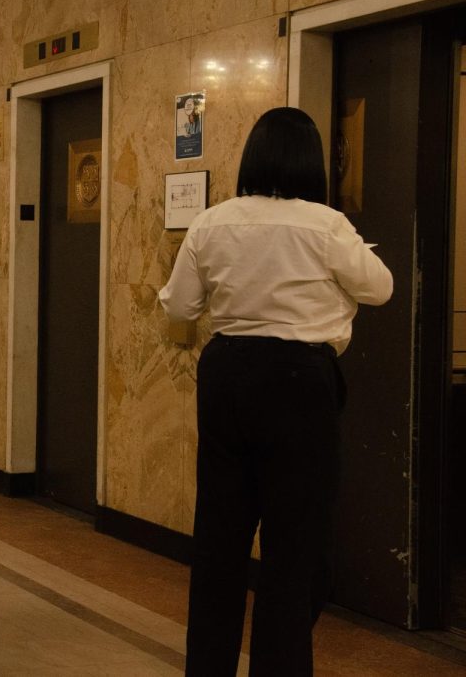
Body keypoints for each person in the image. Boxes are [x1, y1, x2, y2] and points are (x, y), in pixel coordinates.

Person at [159, 107, 392, 675]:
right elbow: (381, 288)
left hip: (227, 375)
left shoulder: (211, 222)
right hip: (300, 382)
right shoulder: (326, 225)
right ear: (312, 162)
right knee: (295, 545)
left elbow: (180, 306)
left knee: (219, 538)